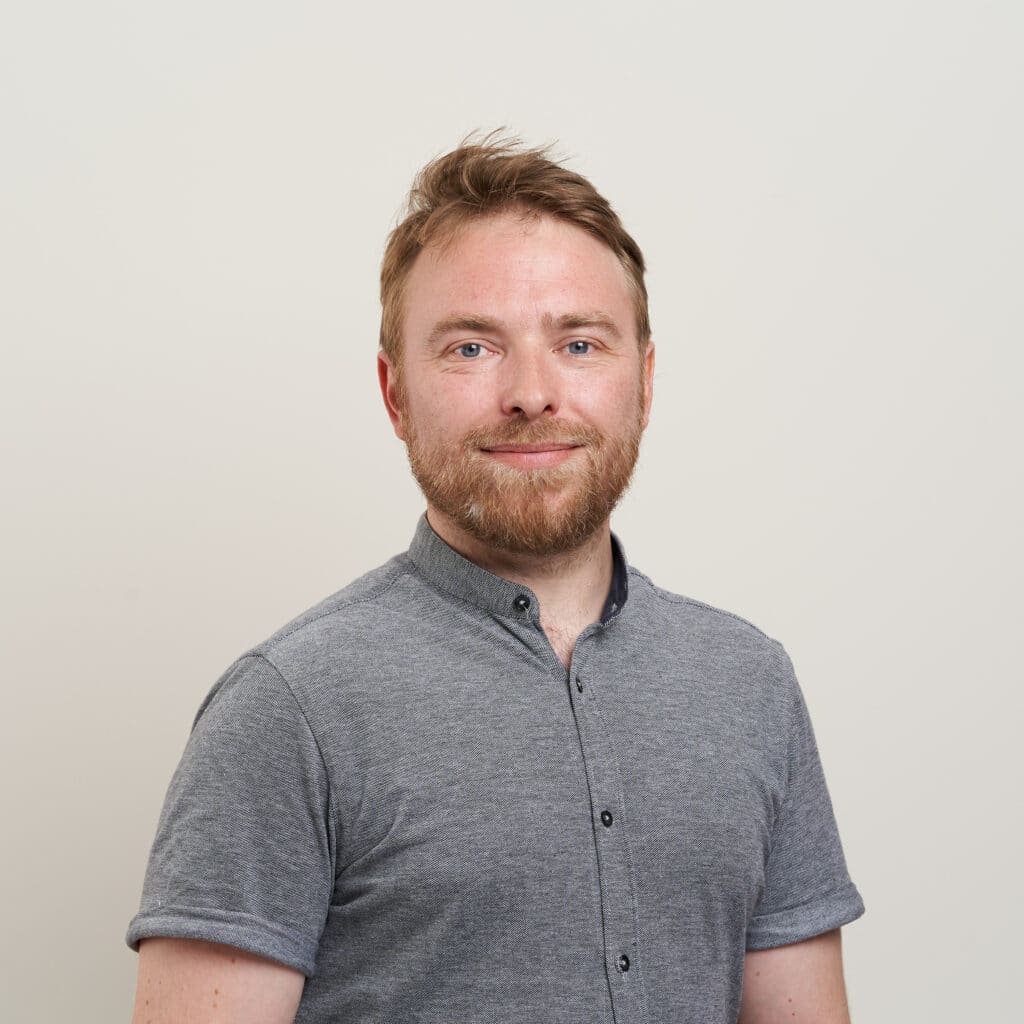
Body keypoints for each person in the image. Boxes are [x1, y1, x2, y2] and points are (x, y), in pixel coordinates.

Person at [126, 130, 865, 1024]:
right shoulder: (289, 709)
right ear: (395, 394)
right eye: (472, 348)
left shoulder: (750, 685)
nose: (531, 393)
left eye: (580, 344)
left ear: (645, 381)